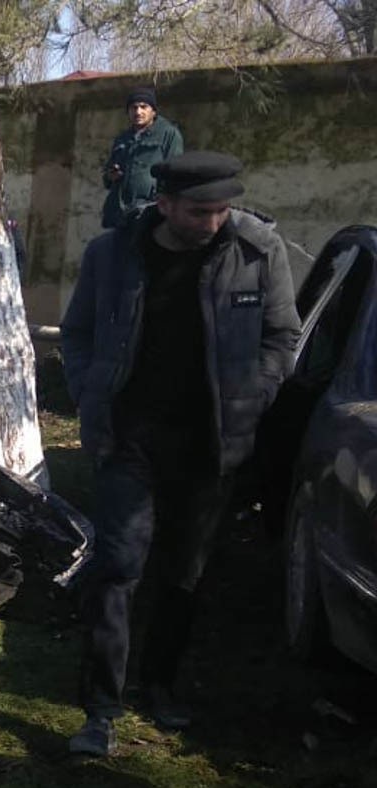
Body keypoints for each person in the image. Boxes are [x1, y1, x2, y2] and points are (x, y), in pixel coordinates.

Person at [60, 152, 298, 757]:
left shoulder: (256, 251)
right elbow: (79, 332)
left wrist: (256, 395)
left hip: (212, 444)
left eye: (220, 210)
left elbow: (282, 335)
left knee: (184, 574)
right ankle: (100, 708)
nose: (213, 222)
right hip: (129, 439)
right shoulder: (110, 256)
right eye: (199, 211)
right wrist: (89, 391)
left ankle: (160, 686)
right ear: (163, 204)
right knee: (115, 569)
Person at [101, 87, 184, 229]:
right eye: (134, 108)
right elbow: (107, 178)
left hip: (149, 212)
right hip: (119, 213)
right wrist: (111, 175)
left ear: (153, 111)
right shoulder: (122, 139)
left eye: (143, 107)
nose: (138, 112)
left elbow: (175, 174)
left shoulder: (168, 134)